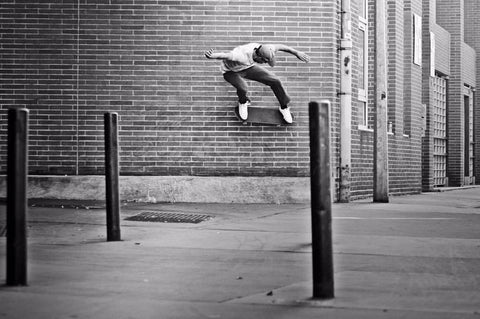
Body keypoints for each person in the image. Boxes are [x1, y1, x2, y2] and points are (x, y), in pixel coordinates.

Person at [204, 43, 310, 123]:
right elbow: (225, 55)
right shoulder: (240, 55)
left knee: (275, 81)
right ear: (258, 57)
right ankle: (243, 102)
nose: (263, 64)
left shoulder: (268, 48)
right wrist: (212, 55)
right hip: (230, 71)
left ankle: (284, 107)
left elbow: (283, 47)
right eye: (263, 62)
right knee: (243, 87)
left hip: (247, 67)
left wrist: (297, 52)